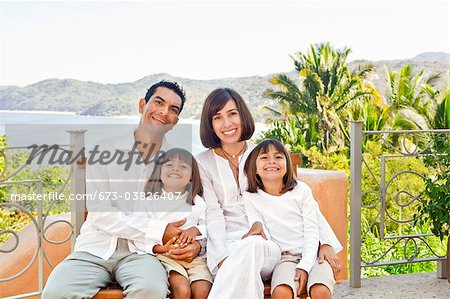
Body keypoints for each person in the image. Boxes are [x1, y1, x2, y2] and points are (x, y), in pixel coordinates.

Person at [43, 81, 202, 299]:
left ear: (175, 121)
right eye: (159, 102)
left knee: (151, 290)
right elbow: (100, 212)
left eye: (173, 110)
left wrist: (197, 245)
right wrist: (158, 230)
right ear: (142, 105)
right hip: (95, 247)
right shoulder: (104, 150)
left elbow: (197, 210)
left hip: (145, 253)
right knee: (56, 292)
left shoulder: (178, 162)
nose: (164, 112)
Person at [195, 88, 342, 299]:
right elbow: (212, 212)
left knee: (252, 245)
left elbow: (297, 195)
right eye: (217, 117)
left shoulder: (262, 155)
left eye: (232, 113)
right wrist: (220, 257)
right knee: (243, 253)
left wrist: (326, 241)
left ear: (242, 115)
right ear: (210, 124)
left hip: (269, 244)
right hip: (227, 245)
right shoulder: (203, 161)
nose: (226, 123)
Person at [243, 139, 335, 299]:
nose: (272, 161)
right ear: (254, 168)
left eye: (278, 157)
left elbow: (312, 230)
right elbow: (261, 230)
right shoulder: (250, 197)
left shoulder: (301, 190)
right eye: (264, 158)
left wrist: (305, 266)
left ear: (287, 164)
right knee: (281, 292)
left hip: (312, 255)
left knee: (320, 290)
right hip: (283, 259)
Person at [133, 148, 212, 299]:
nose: (175, 168)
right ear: (159, 171)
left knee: (202, 290)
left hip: (197, 258)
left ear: (191, 175)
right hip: (167, 257)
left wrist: (195, 230)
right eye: (169, 165)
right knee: (182, 290)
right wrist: (161, 248)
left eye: (183, 166)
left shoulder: (197, 201)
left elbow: (208, 227)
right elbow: (142, 237)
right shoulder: (150, 201)